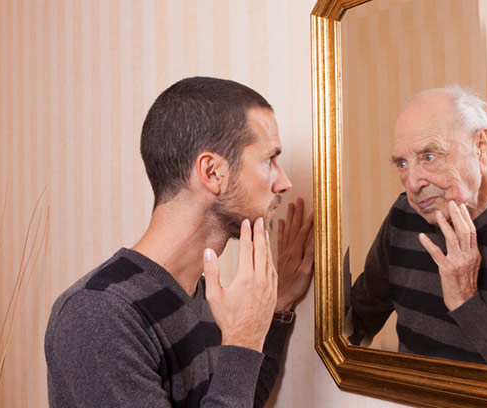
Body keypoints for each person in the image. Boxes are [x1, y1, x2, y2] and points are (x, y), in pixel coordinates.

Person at [45, 76, 316, 407]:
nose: (284, 182)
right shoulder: (97, 315)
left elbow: (240, 396)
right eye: (269, 160)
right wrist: (242, 337)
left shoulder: (198, 295)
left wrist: (278, 306)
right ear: (212, 172)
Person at [346, 86, 487, 370]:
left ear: (480, 146)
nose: (412, 183)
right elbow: (357, 325)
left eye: (428, 157)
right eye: (402, 163)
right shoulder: (403, 214)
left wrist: (465, 302)